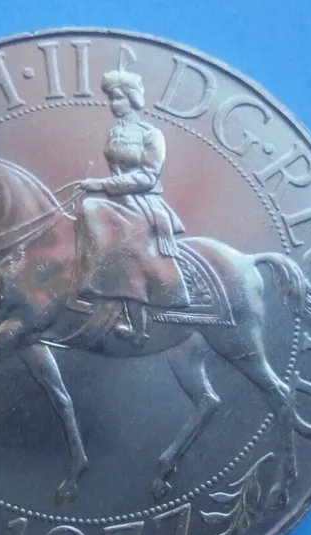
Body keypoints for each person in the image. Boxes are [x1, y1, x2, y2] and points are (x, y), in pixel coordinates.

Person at [77, 55, 190, 346]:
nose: (113, 105)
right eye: (111, 99)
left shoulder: (152, 135)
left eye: (118, 98)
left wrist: (102, 185)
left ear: (132, 99)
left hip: (144, 202)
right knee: (83, 212)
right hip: (118, 199)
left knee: (95, 212)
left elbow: (147, 177)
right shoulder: (115, 132)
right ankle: (95, 289)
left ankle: (111, 299)